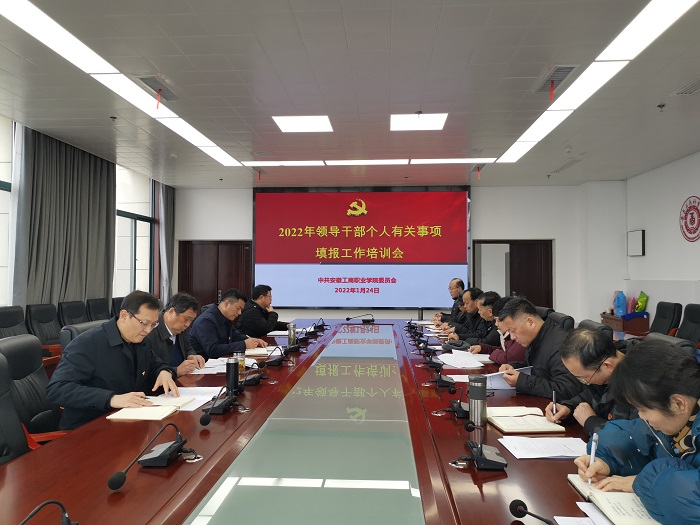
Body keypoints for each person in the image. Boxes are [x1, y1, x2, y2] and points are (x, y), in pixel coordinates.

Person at [574, 340, 700, 524]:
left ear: (678, 403)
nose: (641, 416)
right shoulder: (676, 420)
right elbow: (634, 436)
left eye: (643, 409)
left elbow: (686, 498)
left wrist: (640, 482)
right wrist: (606, 461)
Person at [46, 291, 179, 430]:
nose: (148, 330)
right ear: (124, 316)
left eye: (153, 325)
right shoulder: (87, 343)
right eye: (144, 323)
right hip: (89, 428)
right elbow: (57, 389)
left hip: (129, 421)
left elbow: (155, 365)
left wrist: (164, 372)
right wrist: (111, 399)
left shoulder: (140, 341)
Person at [544, 327, 637, 435]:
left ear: (607, 366)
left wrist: (590, 422)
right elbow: (591, 396)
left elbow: (632, 439)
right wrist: (568, 408)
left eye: (583, 377)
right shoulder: (603, 364)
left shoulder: (642, 385)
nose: (584, 381)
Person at [497, 298, 582, 399]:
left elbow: (566, 390)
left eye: (513, 330)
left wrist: (522, 381)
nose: (512, 337)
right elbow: (535, 367)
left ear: (530, 323)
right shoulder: (537, 338)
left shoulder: (560, 346)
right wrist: (512, 366)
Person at [189, 288, 267, 360]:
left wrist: (252, 340)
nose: (239, 313)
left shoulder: (224, 317)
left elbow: (236, 335)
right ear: (227, 304)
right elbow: (213, 350)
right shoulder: (206, 321)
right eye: (238, 308)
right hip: (204, 366)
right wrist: (244, 344)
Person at [146, 292, 205, 377]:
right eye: (186, 319)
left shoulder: (181, 328)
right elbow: (149, 370)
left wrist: (191, 355)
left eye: (191, 320)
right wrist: (176, 371)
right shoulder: (150, 331)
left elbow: (188, 347)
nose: (188, 324)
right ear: (171, 312)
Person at [466, 296, 526, 365]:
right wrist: (482, 348)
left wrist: (495, 354)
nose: (496, 324)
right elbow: (501, 350)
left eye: (499, 320)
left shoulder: (520, 335)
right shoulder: (508, 334)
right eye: (495, 320)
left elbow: (507, 359)